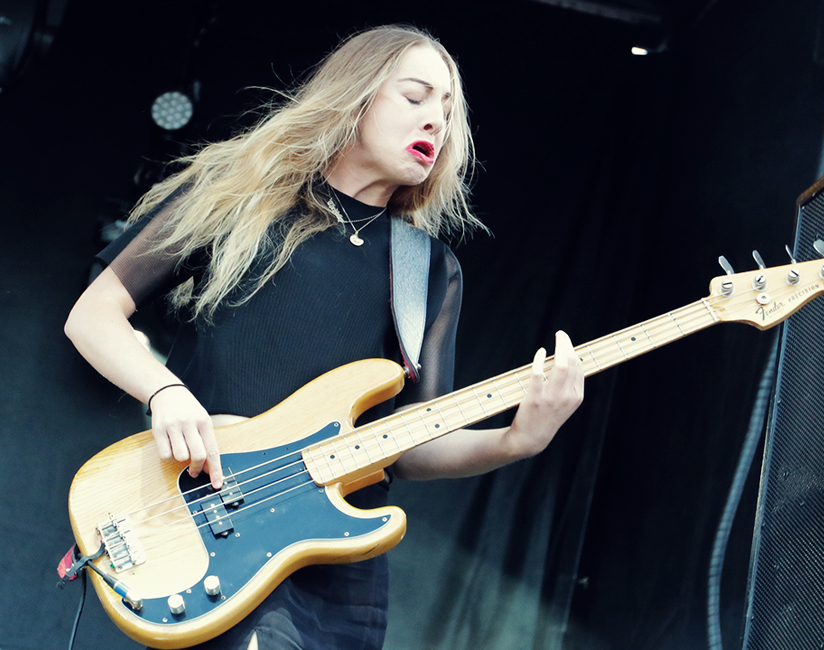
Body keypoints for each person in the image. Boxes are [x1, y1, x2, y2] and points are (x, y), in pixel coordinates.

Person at [64, 24, 584, 650]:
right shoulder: (239, 196)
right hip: (213, 523)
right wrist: (165, 392)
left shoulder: (429, 267)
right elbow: (93, 315)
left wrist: (517, 439)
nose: (436, 123)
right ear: (356, 95)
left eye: (447, 112)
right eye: (416, 96)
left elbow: (411, 445)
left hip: (339, 562)